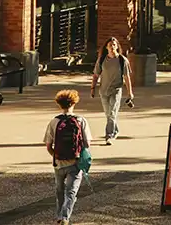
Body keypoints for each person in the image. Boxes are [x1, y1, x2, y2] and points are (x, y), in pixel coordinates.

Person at [44, 89, 93, 225]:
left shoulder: (54, 122)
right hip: (75, 162)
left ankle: (59, 216)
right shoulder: (80, 120)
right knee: (71, 192)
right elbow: (87, 143)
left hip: (59, 163)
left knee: (59, 190)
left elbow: (48, 145)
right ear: (74, 103)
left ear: (59, 104)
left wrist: (57, 155)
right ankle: (64, 218)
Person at [90, 37, 133, 146]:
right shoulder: (102, 60)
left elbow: (127, 77)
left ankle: (109, 136)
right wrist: (92, 88)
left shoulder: (122, 60)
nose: (112, 46)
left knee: (112, 112)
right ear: (106, 47)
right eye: (110, 45)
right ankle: (115, 130)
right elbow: (96, 75)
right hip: (103, 91)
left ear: (117, 46)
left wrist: (130, 92)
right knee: (108, 114)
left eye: (114, 44)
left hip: (116, 90)